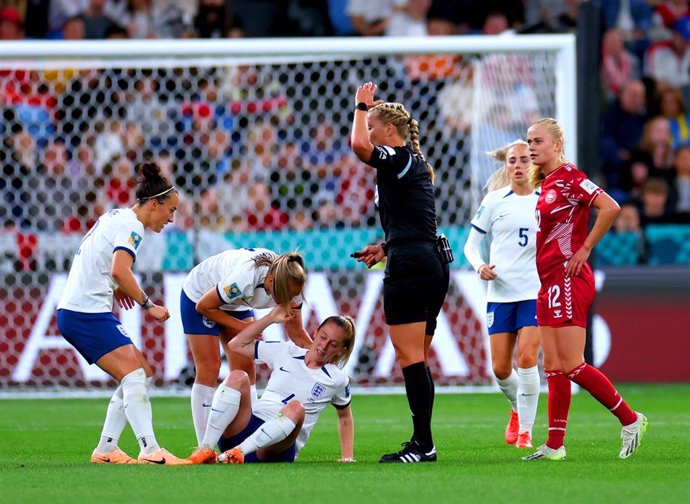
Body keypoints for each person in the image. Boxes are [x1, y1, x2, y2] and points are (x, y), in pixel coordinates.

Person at [523, 118, 647, 461]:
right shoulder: (548, 182)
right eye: (529, 141)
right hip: (549, 280)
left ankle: (631, 419)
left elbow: (610, 207)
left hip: (568, 277)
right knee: (553, 367)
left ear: (557, 144)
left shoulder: (569, 178)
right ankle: (554, 445)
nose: (531, 147)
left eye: (538, 141)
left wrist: (586, 247)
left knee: (573, 364)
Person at [56, 161, 190, 465]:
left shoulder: (115, 216)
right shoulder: (131, 226)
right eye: (170, 210)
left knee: (143, 371)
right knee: (135, 373)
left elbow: (99, 259)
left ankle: (106, 450)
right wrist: (148, 304)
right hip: (84, 313)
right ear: (153, 204)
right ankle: (151, 450)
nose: (172, 218)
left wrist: (115, 286)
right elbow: (120, 267)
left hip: (82, 310)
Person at [350, 82, 450, 463]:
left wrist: (361, 107)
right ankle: (423, 441)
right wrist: (385, 247)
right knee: (418, 359)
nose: (368, 130)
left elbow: (359, 147)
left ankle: (424, 446)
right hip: (429, 260)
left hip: (411, 267)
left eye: (373, 125)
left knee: (409, 358)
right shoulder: (412, 163)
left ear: (389, 130)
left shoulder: (395, 154)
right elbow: (415, 219)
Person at [186, 305, 355, 464]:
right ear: (316, 332)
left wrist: (347, 457)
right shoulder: (286, 351)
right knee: (238, 376)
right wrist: (270, 318)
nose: (324, 345)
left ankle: (238, 453)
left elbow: (345, 417)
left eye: (333, 344)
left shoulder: (337, 379)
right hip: (245, 428)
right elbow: (235, 345)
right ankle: (206, 447)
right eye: (323, 337)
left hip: (277, 448)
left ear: (342, 350)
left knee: (296, 408)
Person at [181, 247, 312, 447]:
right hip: (200, 294)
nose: (288, 302)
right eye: (283, 297)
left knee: (246, 369)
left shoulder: (292, 286)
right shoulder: (245, 277)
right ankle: (204, 448)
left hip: (236, 304)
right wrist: (243, 327)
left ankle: (245, 441)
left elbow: (296, 333)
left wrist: (322, 357)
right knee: (209, 368)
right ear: (271, 281)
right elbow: (204, 306)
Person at [463, 140, 541, 449]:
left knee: (527, 358)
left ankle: (526, 431)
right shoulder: (494, 201)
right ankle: (515, 407)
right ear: (506, 166)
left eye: (524, 160)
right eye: (513, 161)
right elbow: (470, 245)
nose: (518, 166)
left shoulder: (544, 200)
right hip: (500, 292)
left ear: (533, 165)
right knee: (499, 368)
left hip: (534, 290)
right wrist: (480, 266)